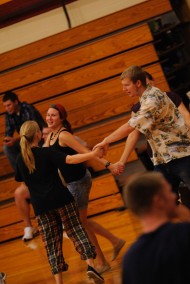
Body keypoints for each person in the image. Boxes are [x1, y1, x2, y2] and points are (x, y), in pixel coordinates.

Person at [15, 120, 104, 284]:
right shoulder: (47, 152)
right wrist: (92, 154)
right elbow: (70, 159)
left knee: (51, 244)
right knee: (76, 231)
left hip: (40, 207)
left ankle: (58, 281)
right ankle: (91, 266)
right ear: (38, 135)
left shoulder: (21, 159)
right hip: (61, 198)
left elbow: (22, 181)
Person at [45, 104, 126, 273]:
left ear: (61, 118)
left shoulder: (64, 135)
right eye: (48, 115)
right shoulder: (51, 136)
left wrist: (108, 165)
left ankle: (102, 262)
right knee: (83, 222)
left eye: (53, 115)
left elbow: (85, 151)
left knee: (80, 224)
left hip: (79, 182)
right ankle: (115, 241)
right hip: (70, 183)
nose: (49, 118)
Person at [94, 65, 190, 200]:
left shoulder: (152, 99)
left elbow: (130, 127)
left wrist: (105, 141)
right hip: (162, 159)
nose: (123, 89)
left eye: (126, 85)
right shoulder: (144, 99)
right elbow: (133, 131)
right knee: (165, 203)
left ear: (138, 83)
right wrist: (122, 160)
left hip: (181, 155)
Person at [122, 171, 190, 284]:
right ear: (158, 200)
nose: (174, 197)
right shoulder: (183, 234)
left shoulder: (131, 258)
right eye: (169, 192)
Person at [14, 125, 52, 241]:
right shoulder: (27, 153)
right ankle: (28, 227)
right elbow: (22, 179)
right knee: (19, 192)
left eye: (47, 134)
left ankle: (63, 220)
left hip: (56, 183)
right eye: (43, 134)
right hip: (39, 187)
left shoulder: (59, 141)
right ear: (38, 135)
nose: (45, 136)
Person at [2, 91, 45, 171]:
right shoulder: (9, 115)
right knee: (6, 148)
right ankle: (22, 175)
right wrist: (7, 140)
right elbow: (8, 132)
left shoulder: (27, 108)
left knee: (33, 142)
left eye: (9, 105)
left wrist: (15, 139)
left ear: (16, 102)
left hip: (39, 137)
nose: (7, 108)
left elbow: (32, 130)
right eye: (5, 106)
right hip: (24, 140)